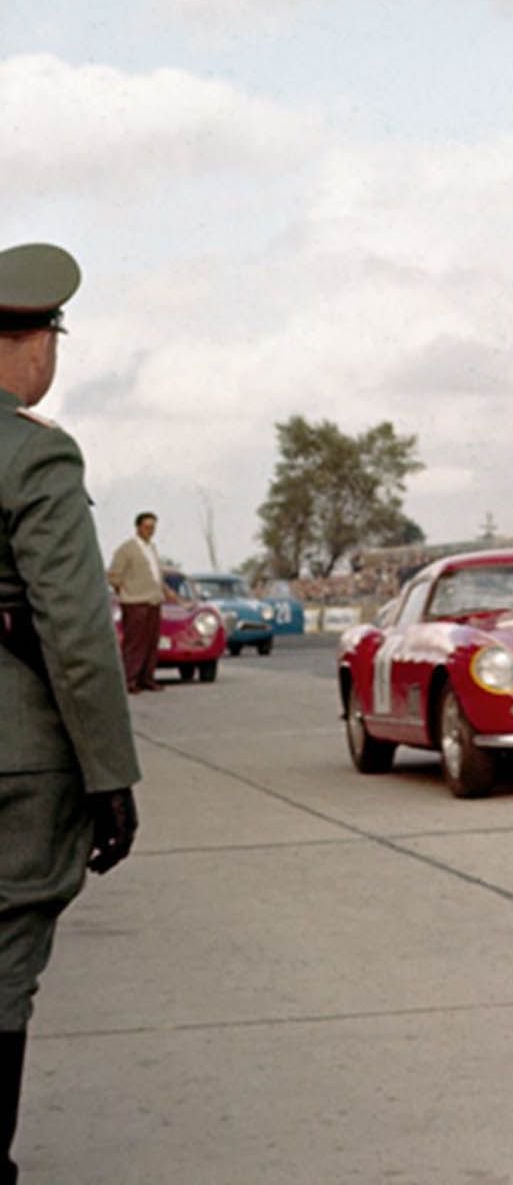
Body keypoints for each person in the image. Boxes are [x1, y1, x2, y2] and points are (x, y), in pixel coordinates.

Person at [0, 243, 141, 1183]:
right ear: (27, 342)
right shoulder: (35, 452)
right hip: (17, 756)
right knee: (6, 961)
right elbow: (78, 635)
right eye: (52, 332)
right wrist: (112, 777)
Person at [106, 511, 177, 694]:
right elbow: (113, 575)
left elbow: (156, 575)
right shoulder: (126, 549)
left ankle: (147, 678)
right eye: (146, 527)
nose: (150, 531)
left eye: (153, 528)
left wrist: (166, 591)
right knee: (134, 643)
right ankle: (129, 680)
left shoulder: (152, 549)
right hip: (135, 602)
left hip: (153, 601)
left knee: (151, 642)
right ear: (138, 527)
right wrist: (126, 591)